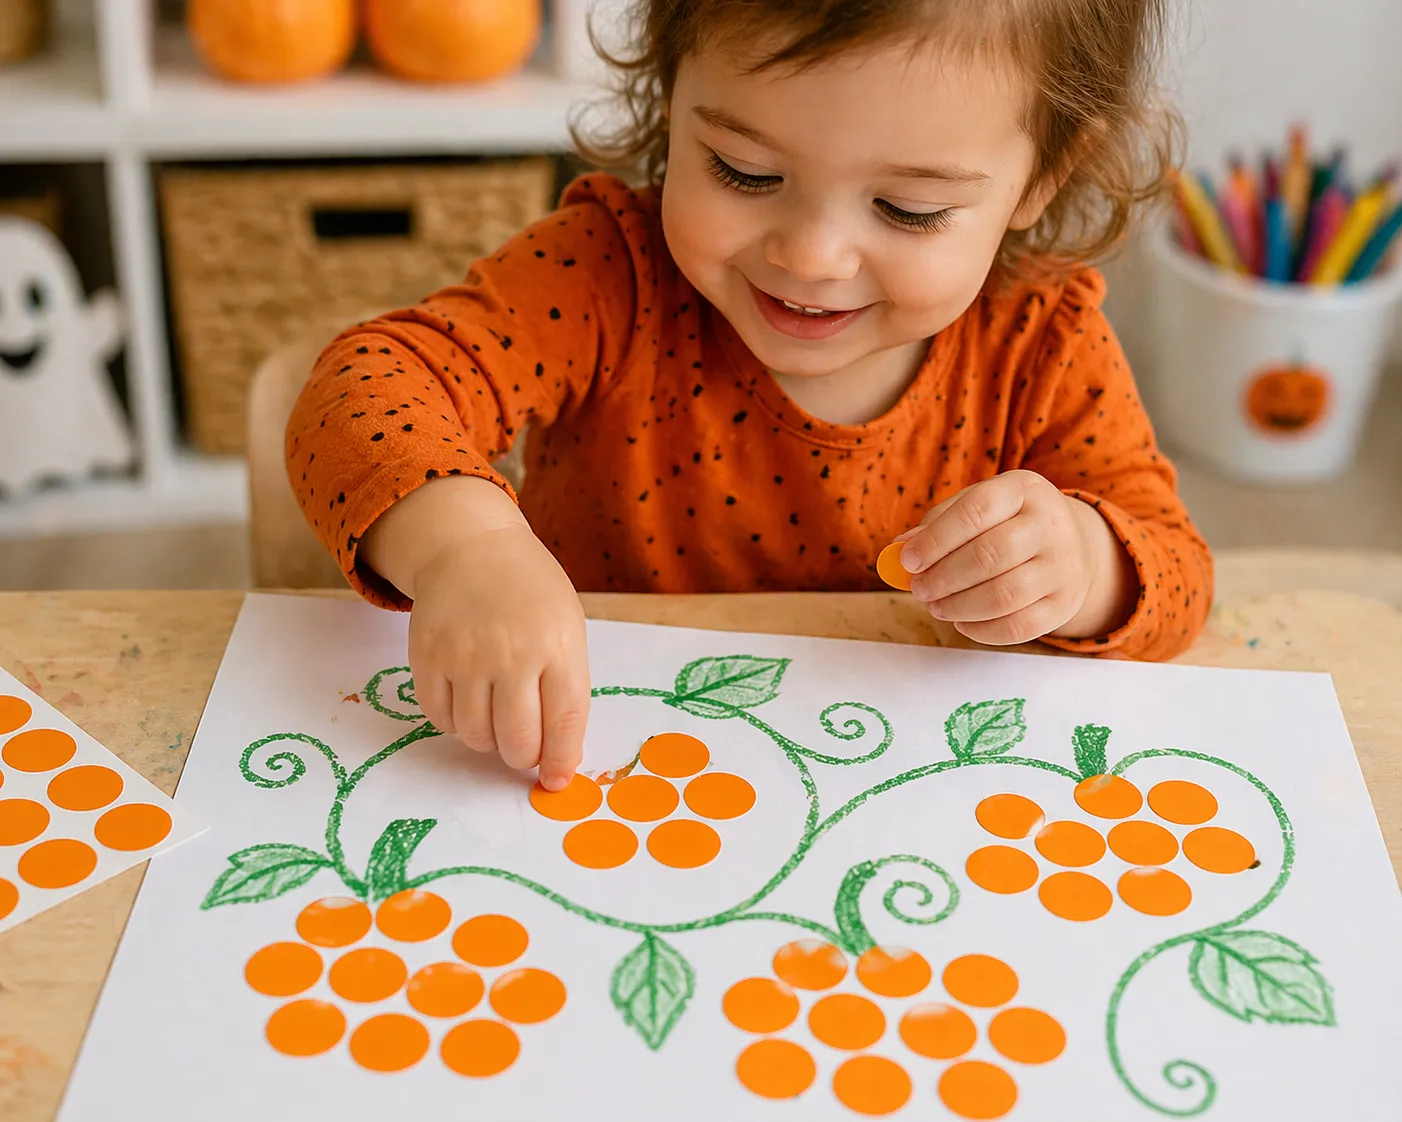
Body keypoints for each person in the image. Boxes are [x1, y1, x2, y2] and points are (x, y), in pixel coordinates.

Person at [286, 0, 1212, 793]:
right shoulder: (610, 272)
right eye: (745, 172)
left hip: (894, 806)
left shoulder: (1040, 341)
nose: (810, 257)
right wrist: (465, 551)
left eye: (908, 210)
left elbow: (1176, 571)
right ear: (672, 86)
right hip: (607, 778)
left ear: (1040, 178)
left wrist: (1083, 568)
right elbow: (366, 384)